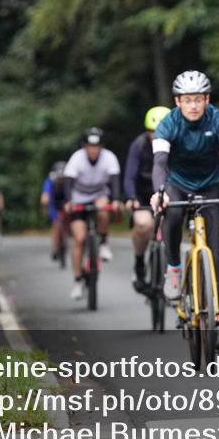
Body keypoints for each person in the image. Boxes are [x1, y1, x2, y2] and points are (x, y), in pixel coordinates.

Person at [149, 72, 219, 350]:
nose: (194, 105)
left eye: (198, 99)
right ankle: (173, 267)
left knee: (216, 253)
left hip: (211, 186)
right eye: (187, 100)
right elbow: (160, 162)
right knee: (171, 213)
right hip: (178, 185)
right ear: (178, 101)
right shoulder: (168, 123)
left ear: (207, 99)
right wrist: (159, 192)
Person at [63, 127, 121, 300]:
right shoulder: (77, 159)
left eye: (97, 147)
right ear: (84, 147)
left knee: (104, 209)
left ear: (101, 147)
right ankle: (77, 279)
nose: (93, 150)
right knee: (79, 239)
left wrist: (116, 200)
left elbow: (115, 180)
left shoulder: (109, 158)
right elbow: (68, 181)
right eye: (90, 146)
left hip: (99, 195)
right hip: (79, 197)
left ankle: (102, 242)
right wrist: (69, 202)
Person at [125, 106, 170, 290]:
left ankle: (171, 272)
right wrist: (131, 197)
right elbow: (129, 175)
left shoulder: (177, 144)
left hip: (167, 194)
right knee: (144, 225)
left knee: (170, 227)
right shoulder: (139, 145)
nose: (157, 136)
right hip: (143, 196)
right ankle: (139, 262)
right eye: (153, 132)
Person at [40, 161, 69, 262]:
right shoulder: (50, 180)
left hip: (66, 202)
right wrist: (45, 206)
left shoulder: (70, 179)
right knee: (56, 224)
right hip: (54, 203)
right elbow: (45, 196)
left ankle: (65, 239)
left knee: (67, 222)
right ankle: (55, 247)